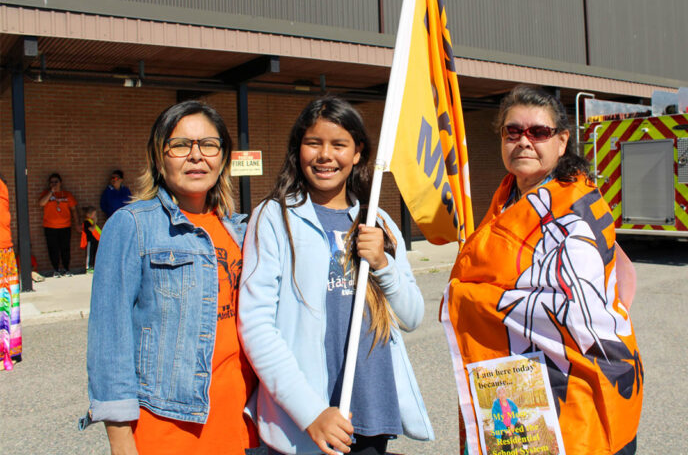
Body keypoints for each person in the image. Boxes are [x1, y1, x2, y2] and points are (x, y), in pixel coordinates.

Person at [442, 86, 643, 455]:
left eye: (538, 132)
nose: (524, 141)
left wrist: (464, 297)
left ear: (562, 141)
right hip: (515, 379)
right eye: (512, 131)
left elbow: (579, 312)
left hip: (568, 382)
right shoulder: (509, 196)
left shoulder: (570, 209)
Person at [238, 96, 433, 455]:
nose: (325, 155)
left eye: (339, 144)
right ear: (298, 150)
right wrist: (310, 412)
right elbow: (255, 325)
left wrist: (382, 265)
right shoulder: (273, 217)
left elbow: (413, 317)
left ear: (358, 153)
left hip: (371, 406)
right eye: (314, 143)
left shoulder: (381, 222)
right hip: (307, 419)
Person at [81, 101, 258, 454]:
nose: (196, 156)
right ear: (160, 157)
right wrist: (121, 441)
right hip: (168, 432)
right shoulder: (132, 225)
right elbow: (109, 340)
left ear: (222, 157)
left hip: (244, 429)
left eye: (209, 144)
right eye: (180, 145)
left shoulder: (243, 230)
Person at [38, 173, 80, 277]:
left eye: (56, 182)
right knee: (53, 249)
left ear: (60, 183)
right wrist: (51, 192)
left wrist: (77, 223)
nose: (54, 184)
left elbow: (74, 209)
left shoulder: (67, 194)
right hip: (50, 227)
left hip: (65, 226)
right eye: (52, 182)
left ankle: (66, 269)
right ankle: (56, 269)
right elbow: (41, 203)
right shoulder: (46, 193)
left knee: (65, 248)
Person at [1, 174, 22, 371]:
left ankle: (5, 352)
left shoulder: (2, 187)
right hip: (4, 251)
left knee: (4, 302)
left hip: (3, 252)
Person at [80, 206, 101, 273]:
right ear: (88, 215)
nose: (95, 216)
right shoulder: (87, 222)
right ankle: (88, 267)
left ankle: (94, 267)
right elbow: (91, 229)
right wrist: (95, 222)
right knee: (90, 254)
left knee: (95, 254)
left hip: (95, 241)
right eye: (94, 214)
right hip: (90, 241)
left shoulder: (91, 221)